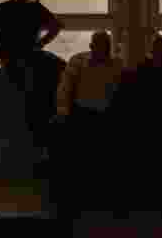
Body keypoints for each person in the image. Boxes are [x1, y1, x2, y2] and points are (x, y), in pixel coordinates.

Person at [0, 0, 64, 160]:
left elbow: (57, 25)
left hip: (31, 56)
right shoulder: (4, 9)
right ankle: (42, 133)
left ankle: (52, 120)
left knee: (62, 69)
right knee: (34, 86)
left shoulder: (31, 8)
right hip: (15, 59)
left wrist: (42, 44)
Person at [111, 33, 162, 209]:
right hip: (148, 123)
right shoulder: (143, 69)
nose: (159, 51)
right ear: (151, 50)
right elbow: (134, 100)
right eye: (157, 48)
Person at [50, 31, 123, 209]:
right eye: (99, 47)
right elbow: (65, 88)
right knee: (79, 158)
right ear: (91, 47)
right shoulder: (78, 61)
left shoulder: (117, 64)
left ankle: (101, 197)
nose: (103, 51)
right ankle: (77, 197)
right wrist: (62, 111)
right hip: (83, 115)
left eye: (106, 48)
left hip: (107, 117)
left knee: (104, 160)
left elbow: (123, 91)